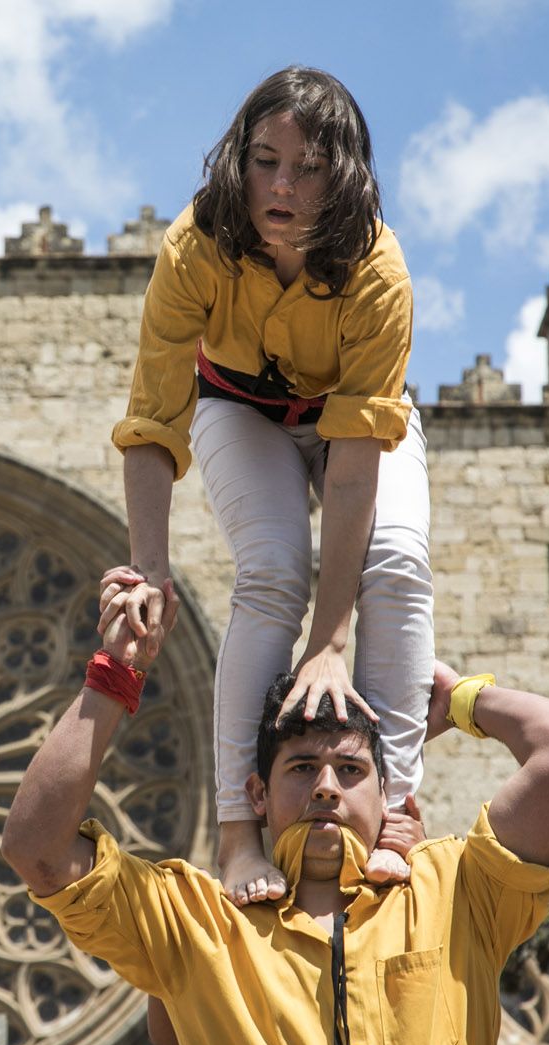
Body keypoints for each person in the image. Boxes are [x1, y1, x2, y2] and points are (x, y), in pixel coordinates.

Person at [1, 577, 549, 1045]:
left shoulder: (456, 892)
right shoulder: (196, 923)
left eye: (350, 770)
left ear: (387, 793)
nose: (325, 786)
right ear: (257, 795)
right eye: (300, 769)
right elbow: (39, 850)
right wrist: (115, 674)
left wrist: (461, 700)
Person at [111, 66, 433, 904]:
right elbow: (153, 417)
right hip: (236, 405)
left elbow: (356, 462)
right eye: (263, 160)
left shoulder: (379, 272)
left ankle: (393, 810)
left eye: (309, 168)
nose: (281, 186)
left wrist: (331, 641)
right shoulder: (194, 246)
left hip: (353, 420)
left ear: (346, 175)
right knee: (271, 572)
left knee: (395, 560)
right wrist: (150, 566)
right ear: (237, 160)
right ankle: (236, 833)